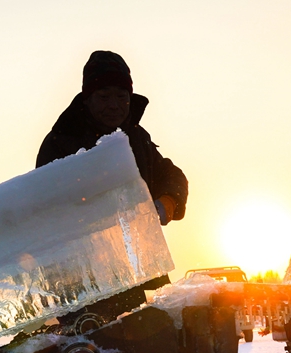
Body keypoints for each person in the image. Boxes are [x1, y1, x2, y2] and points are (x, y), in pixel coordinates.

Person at [37, 51, 188, 225]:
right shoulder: (61, 141)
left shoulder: (137, 137)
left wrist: (168, 202)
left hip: (135, 248)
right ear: (87, 99)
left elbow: (172, 174)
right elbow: (43, 209)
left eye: (121, 96)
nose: (114, 105)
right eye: (104, 96)